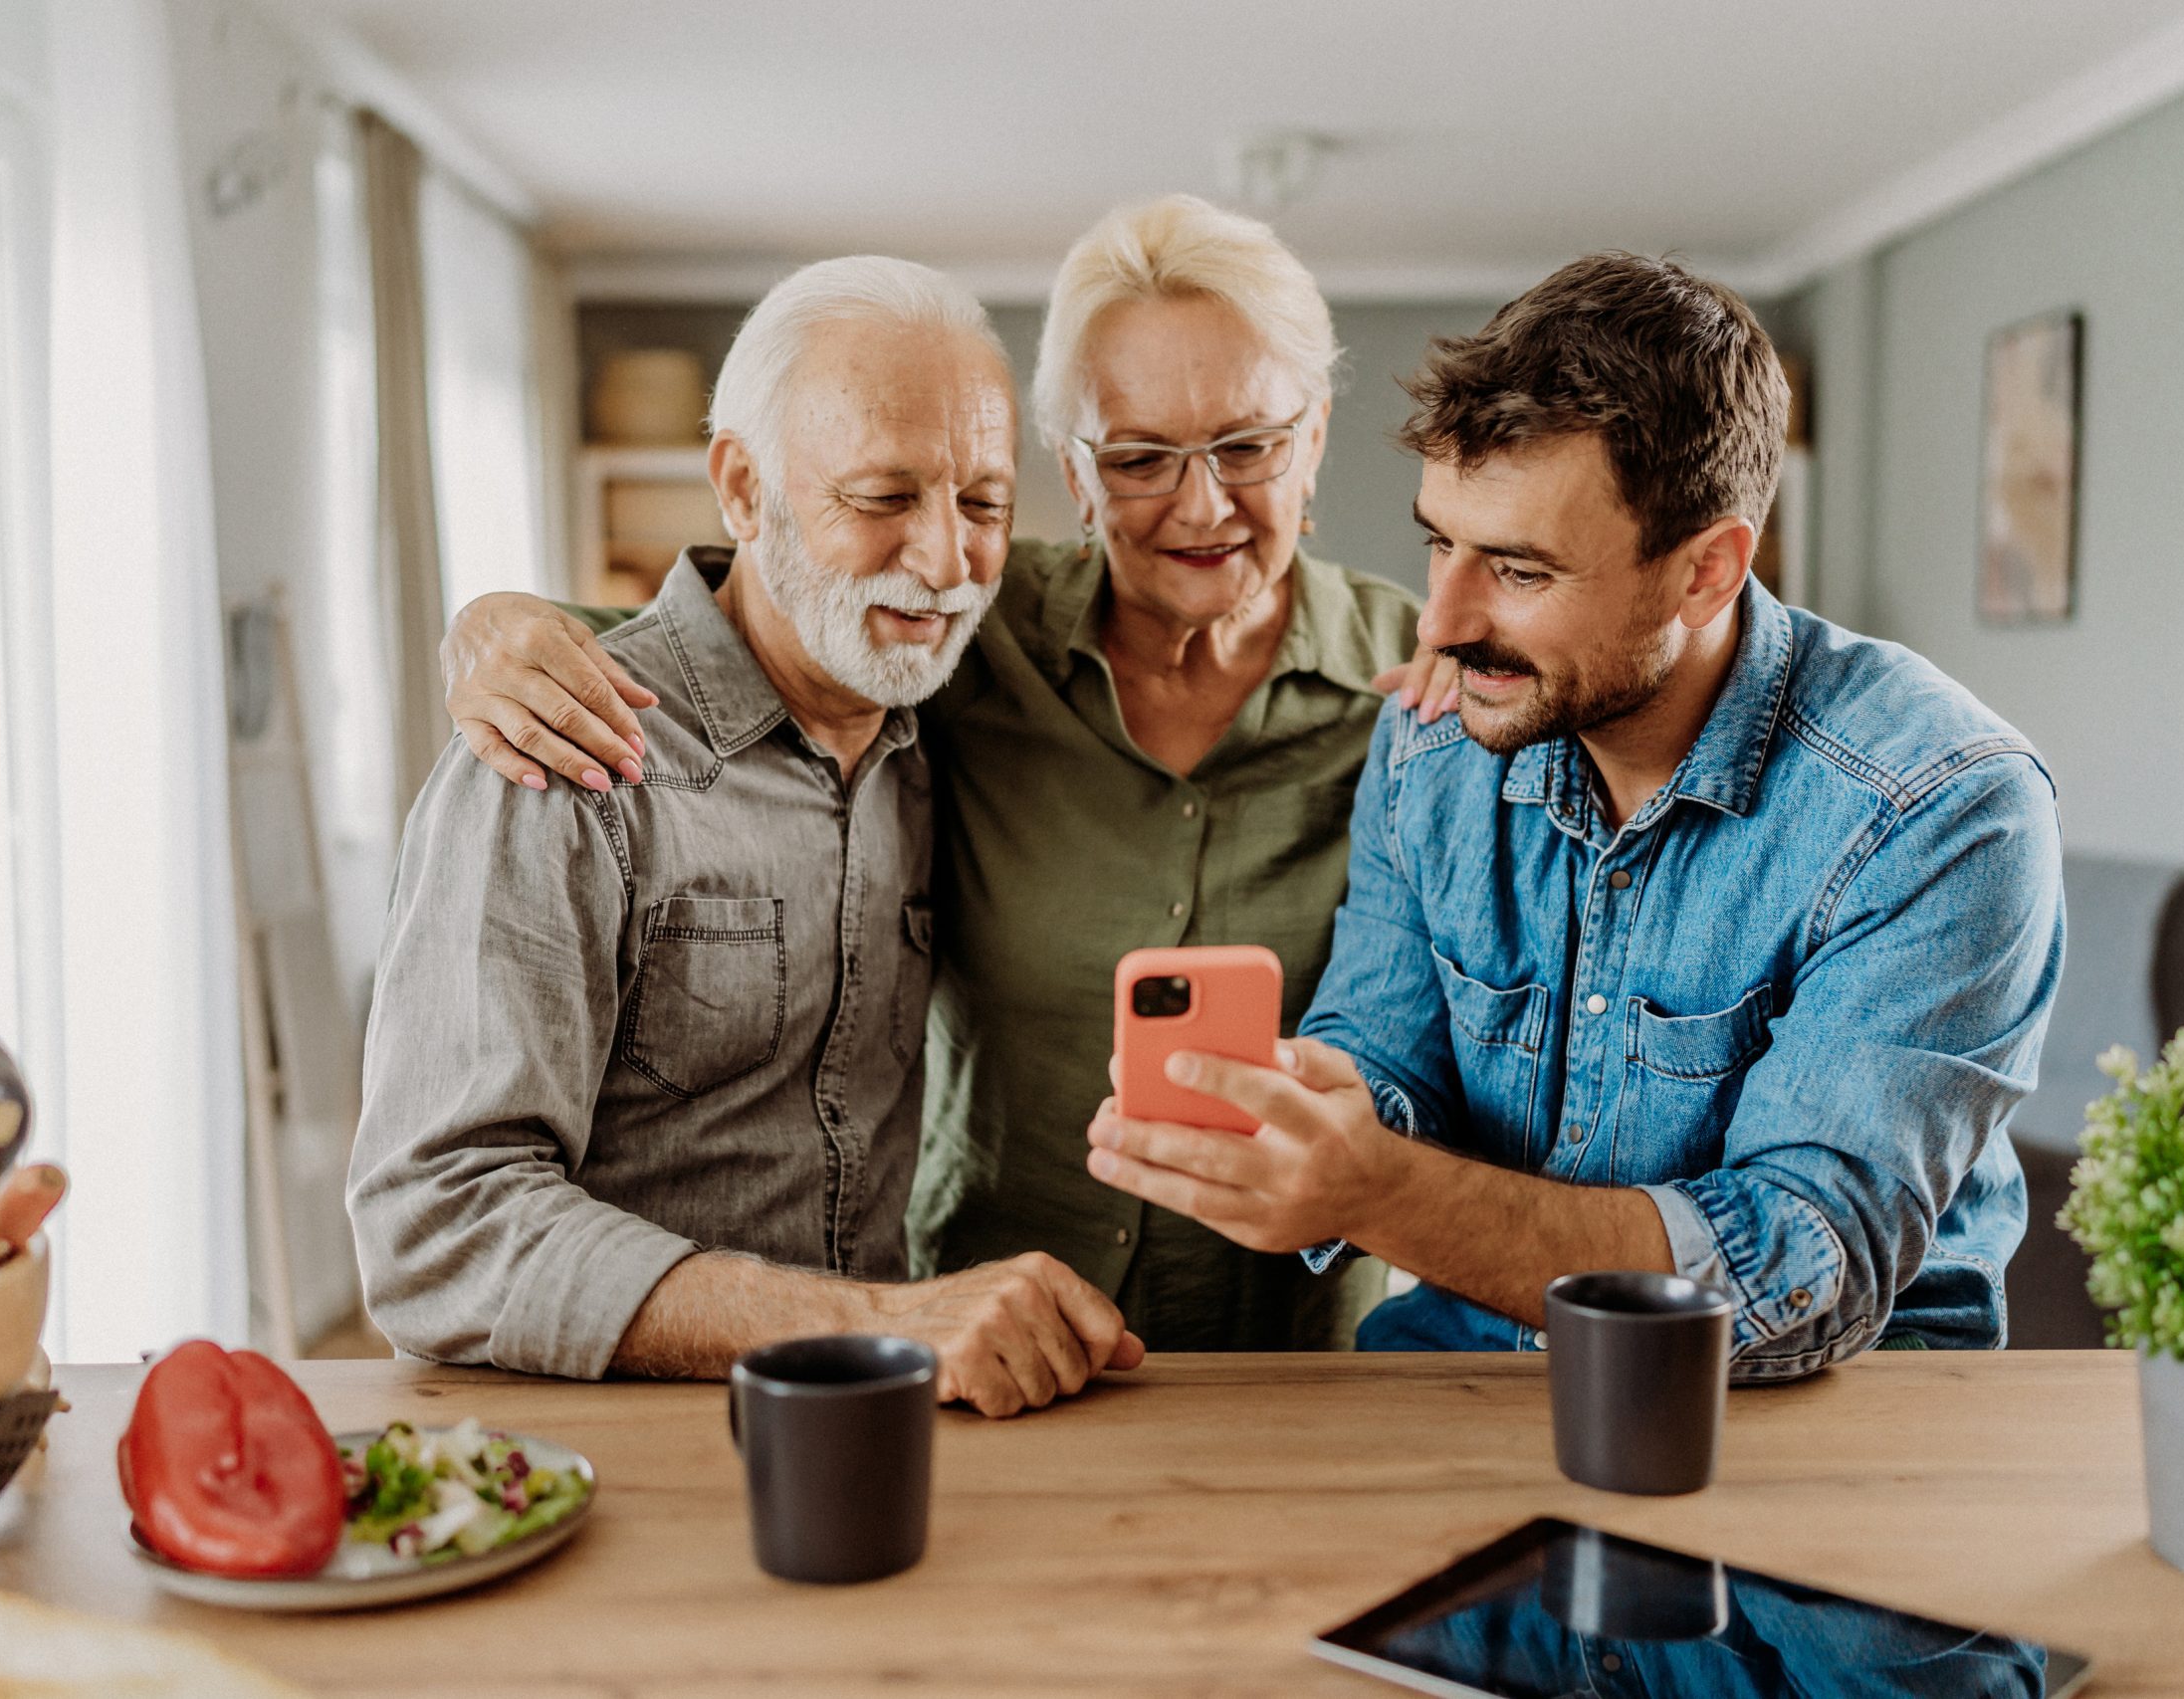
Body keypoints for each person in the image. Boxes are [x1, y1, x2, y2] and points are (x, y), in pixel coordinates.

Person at [438, 196, 1454, 1352]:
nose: (1203, 503)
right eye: (1138, 459)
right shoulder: (968, 627)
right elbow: (750, 628)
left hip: (1290, 1362)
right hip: (977, 1339)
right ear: (1076, 473)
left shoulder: (1426, 692)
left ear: (1313, 436)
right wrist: (491, 625)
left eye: (1248, 445)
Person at [1083, 253, 2062, 1378]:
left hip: (1815, 1413)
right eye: (1438, 542)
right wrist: (1326, 1108)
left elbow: (1794, 1271)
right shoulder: (1433, 740)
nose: (1440, 622)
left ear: (1704, 573)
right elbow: (1387, 1050)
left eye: (1516, 569)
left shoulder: (1939, 806)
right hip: (1470, 1369)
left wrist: (1380, 1192)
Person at [349, 256, 1142, 1415]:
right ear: (740, 486)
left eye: (983, 504)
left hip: (871, 1425)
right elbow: (438, 1229)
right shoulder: (557, 758)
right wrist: (872, 1326)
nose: (943, 562)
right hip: (603, 1450)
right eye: (879, 500)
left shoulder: (936, 735)